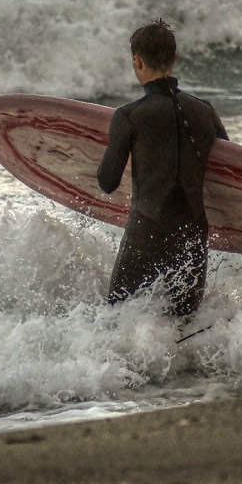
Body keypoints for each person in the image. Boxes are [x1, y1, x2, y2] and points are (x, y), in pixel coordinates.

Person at [97, 20, 228, 316]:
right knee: (185, 326)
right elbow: (226, 171)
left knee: (119, 320)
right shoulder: (205, 111)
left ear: (137, 61)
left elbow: (107, 182)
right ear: (174, 59)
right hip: (193, 232)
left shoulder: (129, 116)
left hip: (147, 232)